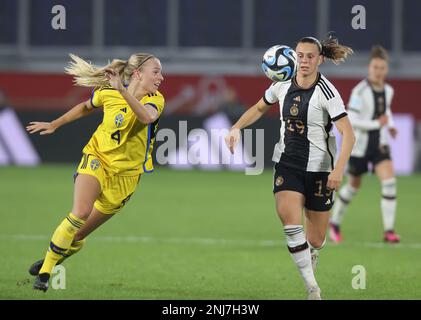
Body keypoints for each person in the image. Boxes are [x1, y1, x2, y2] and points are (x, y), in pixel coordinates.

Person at [225, 36, 355, 300]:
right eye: (300, 55)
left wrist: (338, 169)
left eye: (309, 56)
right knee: (290, 222)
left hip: (320, 169)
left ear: (320, 59)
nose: (304, 61)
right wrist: (236, 127)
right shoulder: (282, 83)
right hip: (287, 164)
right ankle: (312, 288)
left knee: (316, 239)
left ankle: (312, 252)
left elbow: (348, 134)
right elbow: (260, 107)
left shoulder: (327, 92)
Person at [26, 53, 165, 291]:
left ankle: (51, 258)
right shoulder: (108, 93)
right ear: (138, 73)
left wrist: (122, 91)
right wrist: (55, 124)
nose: (161, 77)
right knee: (80, 211)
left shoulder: (156, 99)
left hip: (126, 176)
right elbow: (86, 106)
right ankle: (46, 274)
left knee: (77, 236)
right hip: (97, 158)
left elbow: (146, 116)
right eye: (156, 71)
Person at [329, 45, 400, 243]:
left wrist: (390, 126)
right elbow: (352, 119)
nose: (378, 71)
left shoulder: (388, 90)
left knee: (389, 183)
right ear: (369, 68)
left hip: (379, 145)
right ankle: (334, 222)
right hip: (359, 147)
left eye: (382, 68)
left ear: (386, 69)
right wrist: (378, 123)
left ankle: (389, 231)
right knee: (353, 186)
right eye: (375, 67)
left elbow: (386, 112)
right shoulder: (360, 91)